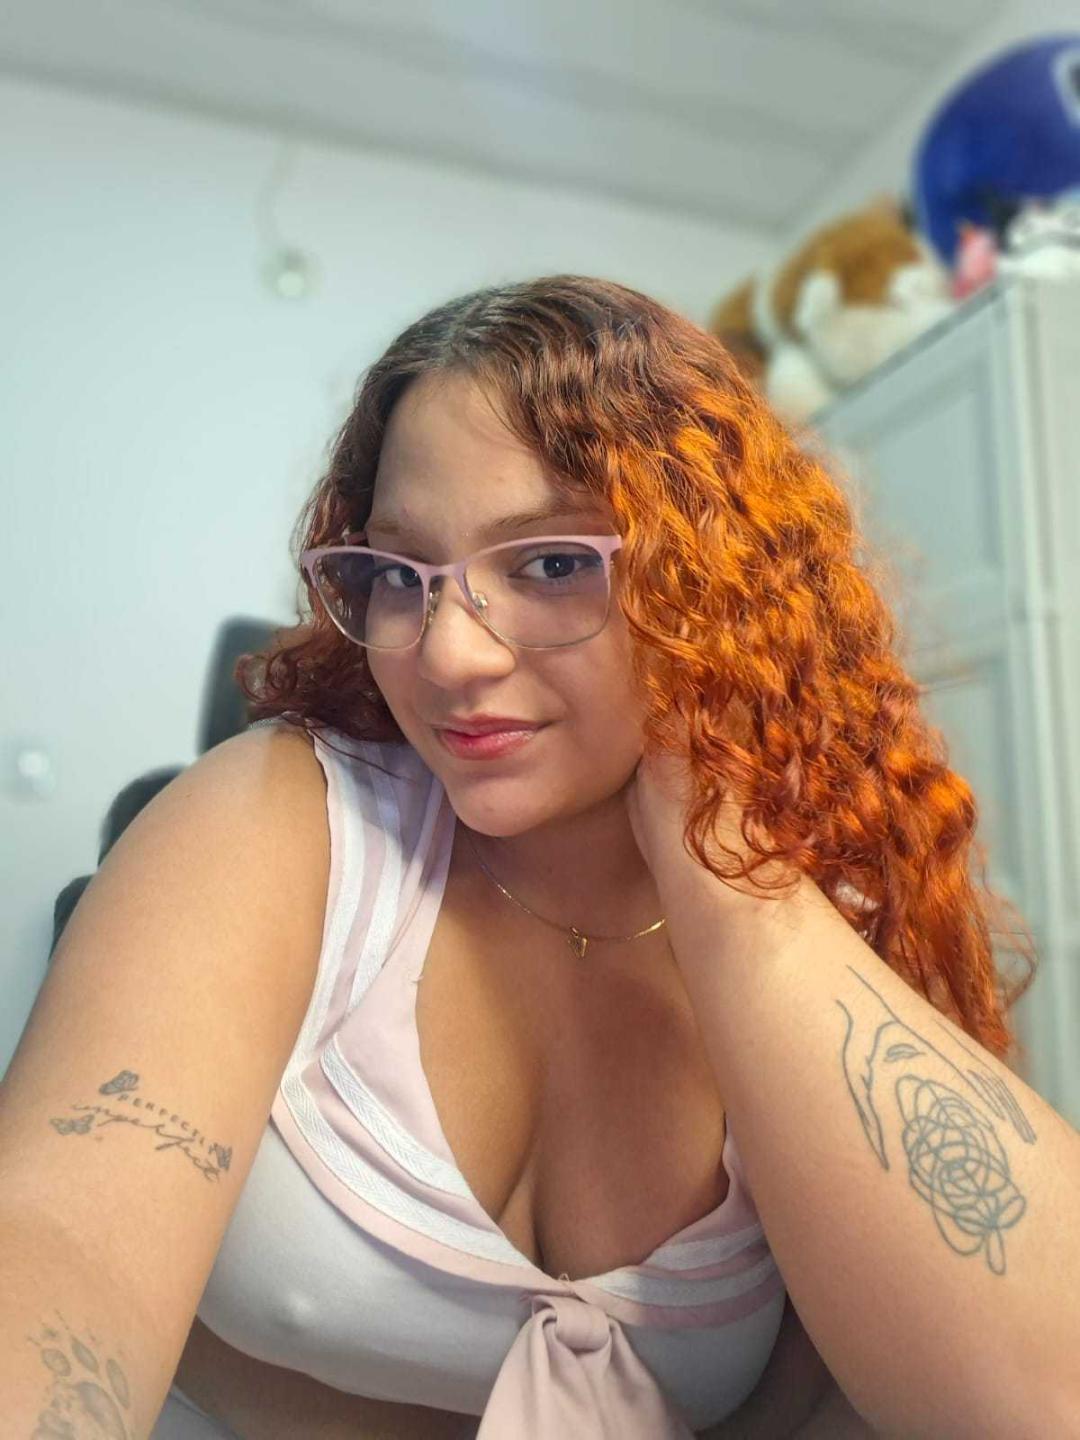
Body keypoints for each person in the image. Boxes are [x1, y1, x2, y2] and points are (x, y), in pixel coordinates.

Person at [5, 275, 1070, 1440]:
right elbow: (54, 1248)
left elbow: (1033, 1399)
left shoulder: (828, 913)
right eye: (400, 575)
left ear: (713, 583)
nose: (448, 655)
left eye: (553, 564)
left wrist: (736, 894)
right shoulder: (283, 818)